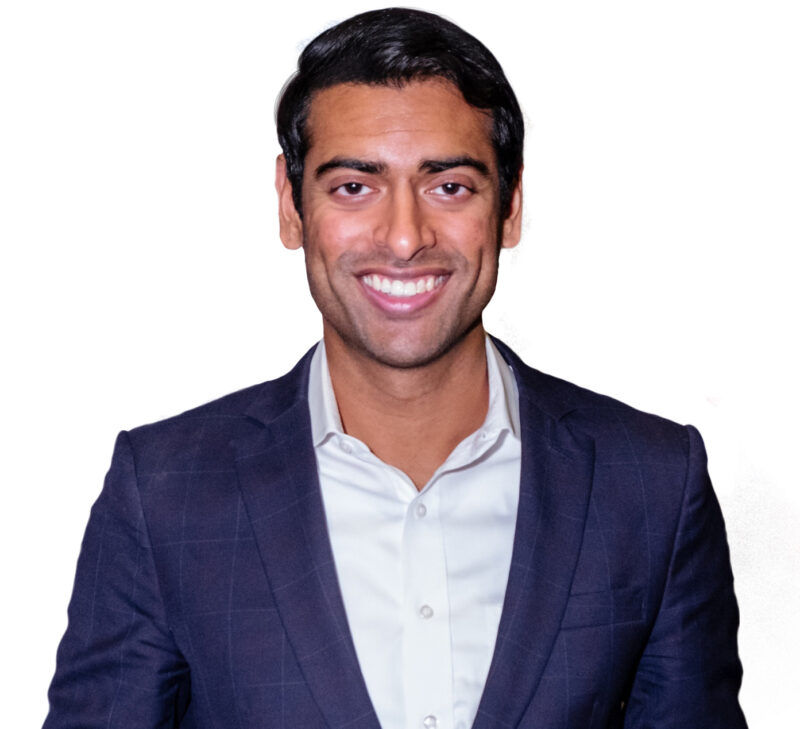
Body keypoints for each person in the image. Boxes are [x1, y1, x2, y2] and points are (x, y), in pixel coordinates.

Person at [43, 8, 747, 729]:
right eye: (354, 186)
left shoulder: (654, 484)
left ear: (509, 205)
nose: (405, 237)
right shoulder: (162, 492)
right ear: (292, 207)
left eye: (449, 186)